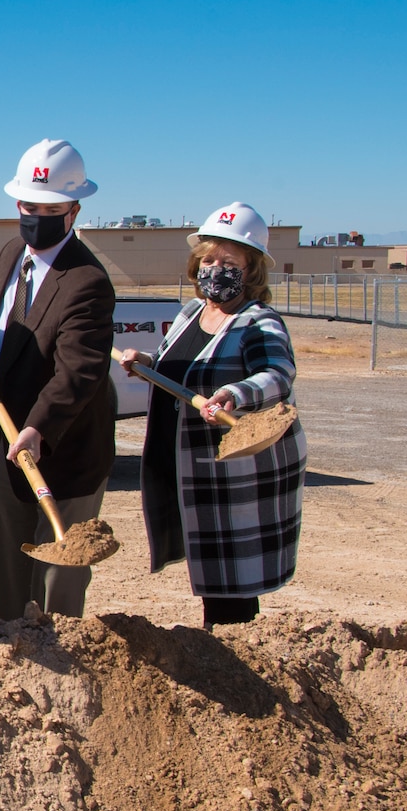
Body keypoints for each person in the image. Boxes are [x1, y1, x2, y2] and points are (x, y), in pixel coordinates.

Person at [119, 203, 305, 627]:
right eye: (208, 260)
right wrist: (145, 360)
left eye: (229, 262)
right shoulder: (190, 314)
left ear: (251, 270)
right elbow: (176, 364)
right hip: (185, 464)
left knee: (231, 583)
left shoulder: (257, 321)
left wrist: (235, 395)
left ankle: (236, 662)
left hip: (231, 473)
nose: (215, 270)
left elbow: (278, 374)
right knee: (210, 574)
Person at [0, 138, 116, 623]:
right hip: (8, 437)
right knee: (10, 570)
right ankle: (13, 649)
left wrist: (39, 428)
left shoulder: (87, 280)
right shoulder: (12, 253)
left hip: (63, 449)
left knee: (56, 582)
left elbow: (80, 371)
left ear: (73, 210)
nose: (35, 216)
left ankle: (63, 666)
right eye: (28, 205)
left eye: (49, 208)